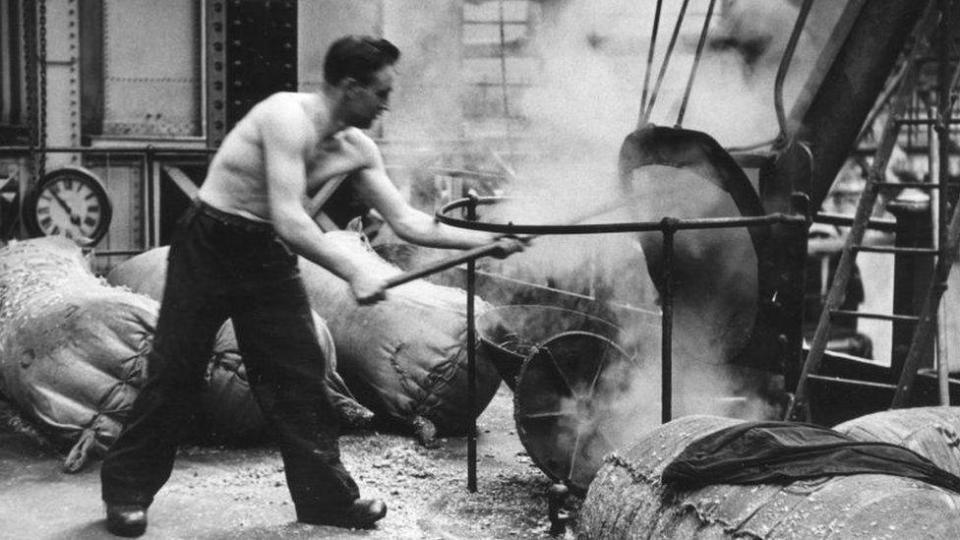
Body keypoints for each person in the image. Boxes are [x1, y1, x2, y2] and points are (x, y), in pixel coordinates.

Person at [100, 35, 523, 537]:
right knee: (176, 371)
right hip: (211, 241)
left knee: (300, 375)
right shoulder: (285, 118)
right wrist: (356, 271)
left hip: (264, 255)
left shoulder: (358, 148)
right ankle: (126, 492)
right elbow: (290, 220)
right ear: (349, 87)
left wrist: (489, 239)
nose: (388, 103)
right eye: (381, 92)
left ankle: (325, 501)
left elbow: (410, 222)